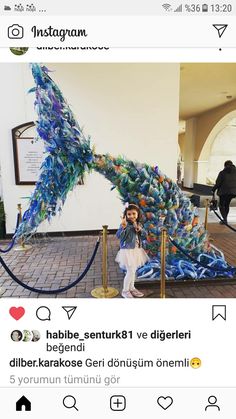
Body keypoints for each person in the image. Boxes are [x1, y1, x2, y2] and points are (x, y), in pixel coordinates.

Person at [116, 203, 149, 298]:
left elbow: (144, 235)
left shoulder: (138, 224)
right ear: (126, 215)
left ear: (137, 214)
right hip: (127, 251)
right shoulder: (124, 224)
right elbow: (119, 236)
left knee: (133, 270)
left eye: (134, 213)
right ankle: (125, 290)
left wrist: (140, 230)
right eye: (129, 214)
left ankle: (132, 288)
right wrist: (124, 227)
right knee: (130, 271)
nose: (131, 216)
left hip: (136, 250)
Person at [212, 160, 236, 224]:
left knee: (221, 205)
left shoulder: (222, 173)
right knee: (227, 204)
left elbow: (218, 183)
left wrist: (213, 189)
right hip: (233, 192)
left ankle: (225, 219)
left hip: (224, 192)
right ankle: (225, 218)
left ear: (225, 165)